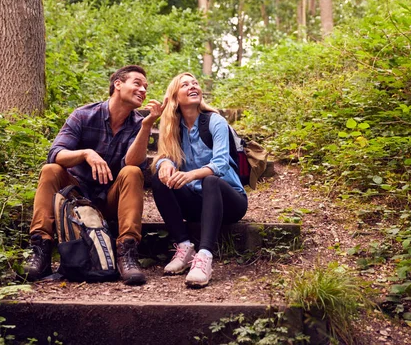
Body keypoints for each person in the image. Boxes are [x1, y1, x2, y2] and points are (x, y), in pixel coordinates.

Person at [23, 65, 163, 285]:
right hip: (75, 199)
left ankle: (127, 252)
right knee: (50, 170)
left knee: (133, 172)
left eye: (145, 87)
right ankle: (41, 248)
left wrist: (147, 126)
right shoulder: (84, 115)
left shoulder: (138, 124)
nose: (143, 89)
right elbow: (56, 154)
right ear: (118, 84)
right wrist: (86, 154)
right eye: (137, 83)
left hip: (110, 199)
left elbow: (133, 162)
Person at [151, 72, 248, 288]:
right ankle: (185, 247)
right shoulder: (173, 128)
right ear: (175, 97)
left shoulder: (215, 121)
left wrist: (191, 174)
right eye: (185, 85)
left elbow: (221, 164)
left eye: (195, 83)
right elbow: (164, 156)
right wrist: (165, 164)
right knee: (159, 179)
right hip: (196, 203)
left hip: (229, 201)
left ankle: (204, 257)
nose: (193, 86)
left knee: (210, 180)